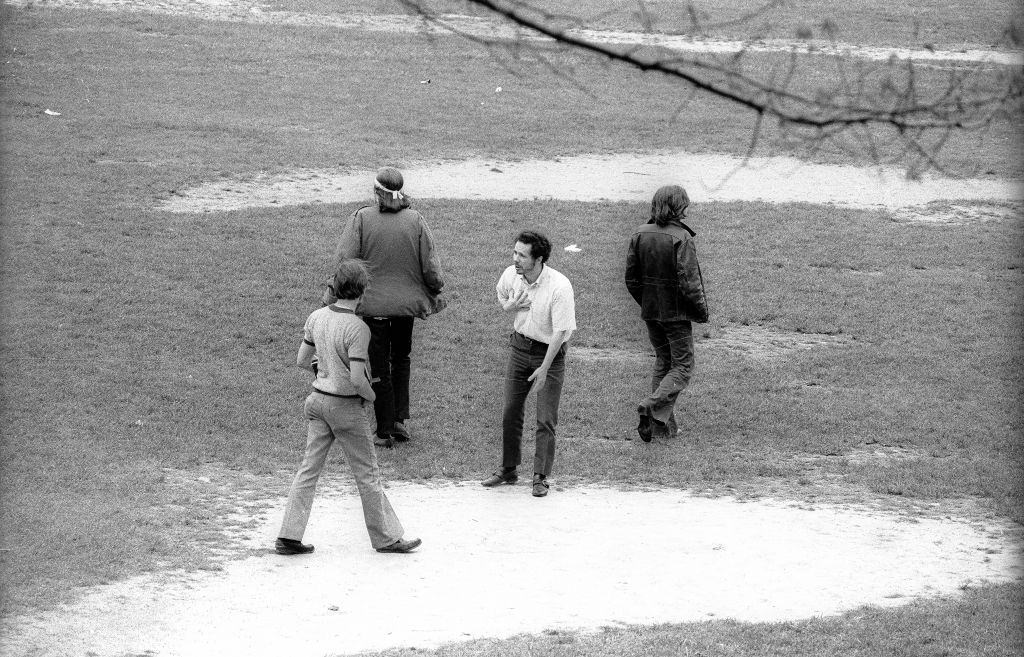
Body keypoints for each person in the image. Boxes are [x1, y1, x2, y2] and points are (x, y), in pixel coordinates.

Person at [276, 260, 421, 556]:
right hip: (345, 409)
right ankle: (386, 538)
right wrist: (373, 397)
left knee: (308, 470)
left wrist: (324, 372)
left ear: (336, 287)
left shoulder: (316, 317)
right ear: (363, 291)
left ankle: (288, 536)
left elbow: (303, 360)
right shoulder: (358, 328)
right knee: (367, 474)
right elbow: (357, 379)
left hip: (316, 402)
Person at [331, 167, 446, 449]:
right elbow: (431, 266)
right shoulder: (416, 220)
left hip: (374, 307)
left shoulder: (361, 218)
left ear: (376, 192)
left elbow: (346, 262)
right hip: (407, 308)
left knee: (379, 365)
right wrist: (436, 289)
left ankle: (383, 430)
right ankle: (398, 422)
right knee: (402, 359)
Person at [481, 230, 576, 498]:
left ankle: (540, 477)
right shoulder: (510, 275)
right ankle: (508, 469)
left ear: (539, 259)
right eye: (515, 252)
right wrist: (510, 306)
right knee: (510, 412)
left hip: (550, 354)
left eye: (522, 255)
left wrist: (544, 369)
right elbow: (502, 297)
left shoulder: (559, 286)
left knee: (545, 419)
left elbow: (560, 333)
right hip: (520, 348)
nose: (516, 259)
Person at [624, 185, 709, 442]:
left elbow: (631, 278)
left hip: (651, 312)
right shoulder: (681, 238)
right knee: (682, 366)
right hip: (676, 315)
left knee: (663, 361)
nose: (687, 208)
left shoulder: (640, 233)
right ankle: (650, 405)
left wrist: (647, 302)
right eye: (685, 204)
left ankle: (662, 428)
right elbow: (689, 281)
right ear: (677, 207)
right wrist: (701, 311)